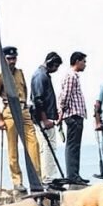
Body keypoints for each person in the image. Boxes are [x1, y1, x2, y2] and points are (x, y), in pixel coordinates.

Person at [0, 45, 41, 193]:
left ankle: (36, 178)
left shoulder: (20, 73)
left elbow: (25, 91)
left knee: (34, 144)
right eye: (9, 59)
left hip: (24, 110)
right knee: (13, 148)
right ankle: (17, 181)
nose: (12, 61)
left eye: (14, 58)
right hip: (9, 111)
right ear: (4, 59)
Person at [30, 51, 63, 183]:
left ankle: (48, 175)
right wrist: (45, 119)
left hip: (47, 117)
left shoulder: (44, 75)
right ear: (50, 63)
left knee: (48, 146)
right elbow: (38, 100)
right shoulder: (40, 76)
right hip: (44, 119)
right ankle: (48, 176)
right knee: (48, 146)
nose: (56, 69)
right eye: (55, 66)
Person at [58, 51, 89, 185]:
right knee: (72, 146)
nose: (85, 64)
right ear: (77, 61)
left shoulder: (74, 76)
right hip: (73, 115)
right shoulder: (71, 76)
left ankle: (75, 174)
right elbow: (65, 96)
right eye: (83, 61)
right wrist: (62, 113)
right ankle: (72, 175)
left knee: (75, 146)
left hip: (76, 115)